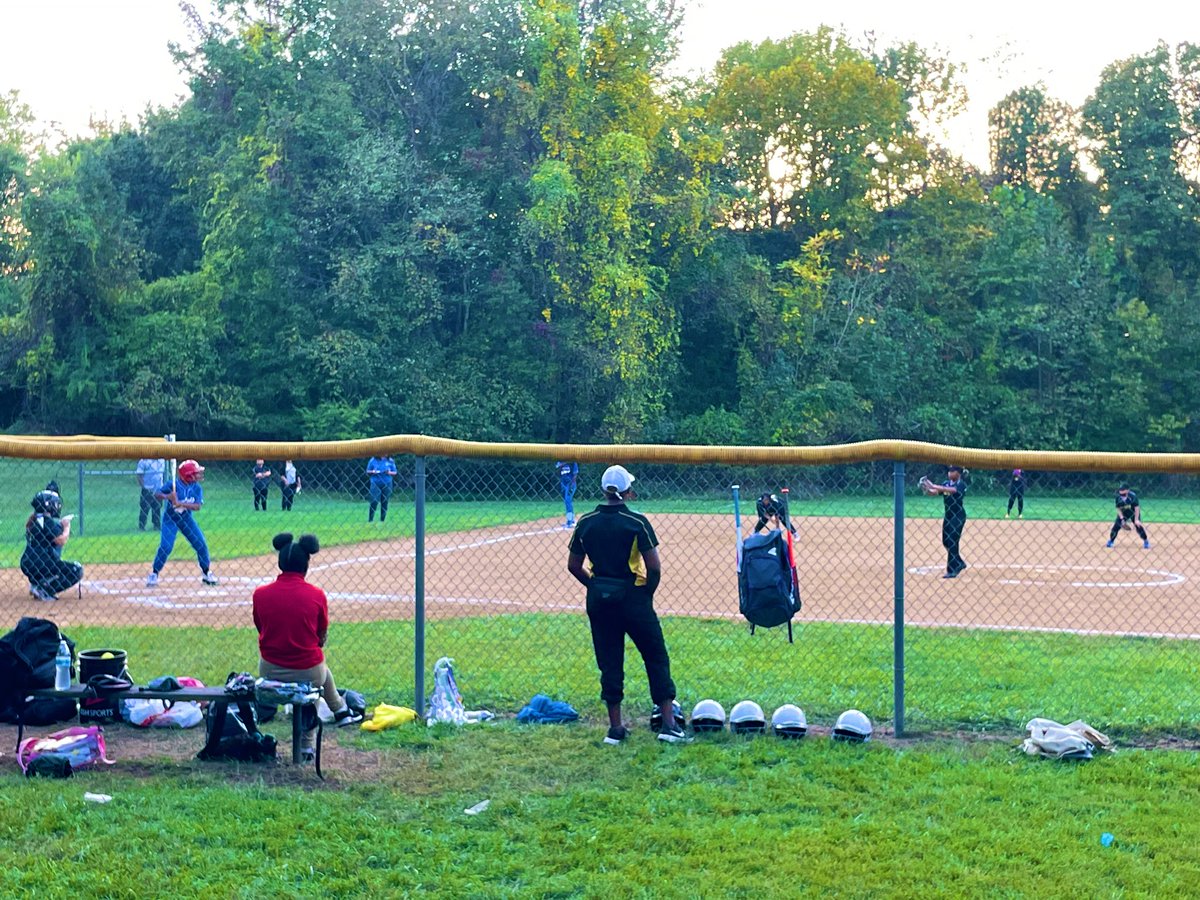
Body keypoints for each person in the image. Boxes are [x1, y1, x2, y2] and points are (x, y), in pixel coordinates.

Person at [567, 465, 689, 745]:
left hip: (600, 600)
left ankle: (615, 729)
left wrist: (595, 586)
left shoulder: (586, 522)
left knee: (609, 661)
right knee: (655, 656)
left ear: (603, 491)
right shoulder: (636, 522)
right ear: (628, 491)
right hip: (633, 597)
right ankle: (669, 726)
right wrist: (647, 593)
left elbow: (573, 565)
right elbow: (653, 567)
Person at [252, 532, 364, 760]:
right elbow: (321, 637)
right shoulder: (316, 595)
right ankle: (309, 743)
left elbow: (261, 628)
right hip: (308, 671)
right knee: (318, 671)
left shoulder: (260, 594)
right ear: (306, 565)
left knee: (317, 669)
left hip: (270, 670)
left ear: (280, 563)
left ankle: (341, 711)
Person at [146, 459, 218, 587]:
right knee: (166, 546)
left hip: (186, 519)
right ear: (188, 475)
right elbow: (157, 494)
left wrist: (180, 503)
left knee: (201, 543)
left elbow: (197, 506)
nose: (198, 475)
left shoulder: (196, 487)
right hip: (170, 519)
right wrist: (168, 496)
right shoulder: (172, 484)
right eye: (195, 473)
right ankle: (154, 573)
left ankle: (206, 572)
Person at [21, 489, 83, 602]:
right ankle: (44, 590)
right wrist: (66, 526)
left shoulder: (36, 520)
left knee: (52, 561)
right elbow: (60, 540)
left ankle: (37, 584)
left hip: (28, 563)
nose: (57, 506)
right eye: (54, 503)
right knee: (76, 570)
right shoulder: (46, 521)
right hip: (42, 563)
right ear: (47, 505)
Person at [923, 465, 968, 579]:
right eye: (949, 471)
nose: (949, 473)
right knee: (946, 541)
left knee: (953, 541)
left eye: (952, 471)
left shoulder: (961, 484)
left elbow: (953, 490)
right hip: (948, 516)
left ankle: (952, 569)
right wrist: (926, 487)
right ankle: (959, 562)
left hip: (958, 516)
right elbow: (935, 492)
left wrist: (934, 485)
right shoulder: (946, 483)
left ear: (958, 473)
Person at [1108, 483, 1150, 549]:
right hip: (1124, 513)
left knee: (1138, 526)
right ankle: (1111, 541)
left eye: (1123, 493)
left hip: (1133, 513)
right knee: (1116, 527)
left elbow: (1137, 508)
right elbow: (1118, 508)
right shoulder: (1118, 497)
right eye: (1120, 492)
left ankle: (1146, 541)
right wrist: (1122, 518)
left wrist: (1136, 520)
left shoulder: (1133, 496)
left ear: (1128, 490)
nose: (1121, 494)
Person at [135, 457, 166, 531]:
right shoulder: (144, 461)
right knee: (145, 508)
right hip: (147, 489)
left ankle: (157, 525)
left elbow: (163, 475)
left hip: (158, 489)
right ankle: (142, 526)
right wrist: (144, 487)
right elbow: (139, 476)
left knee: (157, 507)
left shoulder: (162, 460)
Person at [366, 455, 397, 523]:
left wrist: (389, 472)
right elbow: (367, 471)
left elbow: (395, 472)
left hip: (387, 482)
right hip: (375, 482)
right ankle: (370, 519)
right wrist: (373, 471)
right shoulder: (373, 460)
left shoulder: (390, 461)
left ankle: (382, 519)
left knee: (385, 501)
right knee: (374, 500)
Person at [555, 460, 579, 528]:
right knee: (568, 502)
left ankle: (569, 522)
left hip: (570, 484)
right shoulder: (559, 461)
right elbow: (557, 471)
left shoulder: (572, 462)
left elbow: (575, 473)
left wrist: (572, 484)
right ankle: (572, 520)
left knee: (568, 501)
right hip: (563, 484)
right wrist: (562, 465)